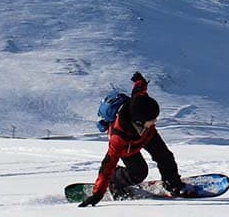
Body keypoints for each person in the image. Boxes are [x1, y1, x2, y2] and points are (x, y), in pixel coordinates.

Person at [79, 71, 185, 207]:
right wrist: (98, 193)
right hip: (128, 145)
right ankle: (115, 181)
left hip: (147, 136)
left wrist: (139, 80)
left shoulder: (140, 102)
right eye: (151, 120)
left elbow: (139, 90)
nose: (155, 121)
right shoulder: (119, 138)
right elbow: (107, 165)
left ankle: (172, 184)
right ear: (139, 122)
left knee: (165, 156)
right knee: (139, 172)